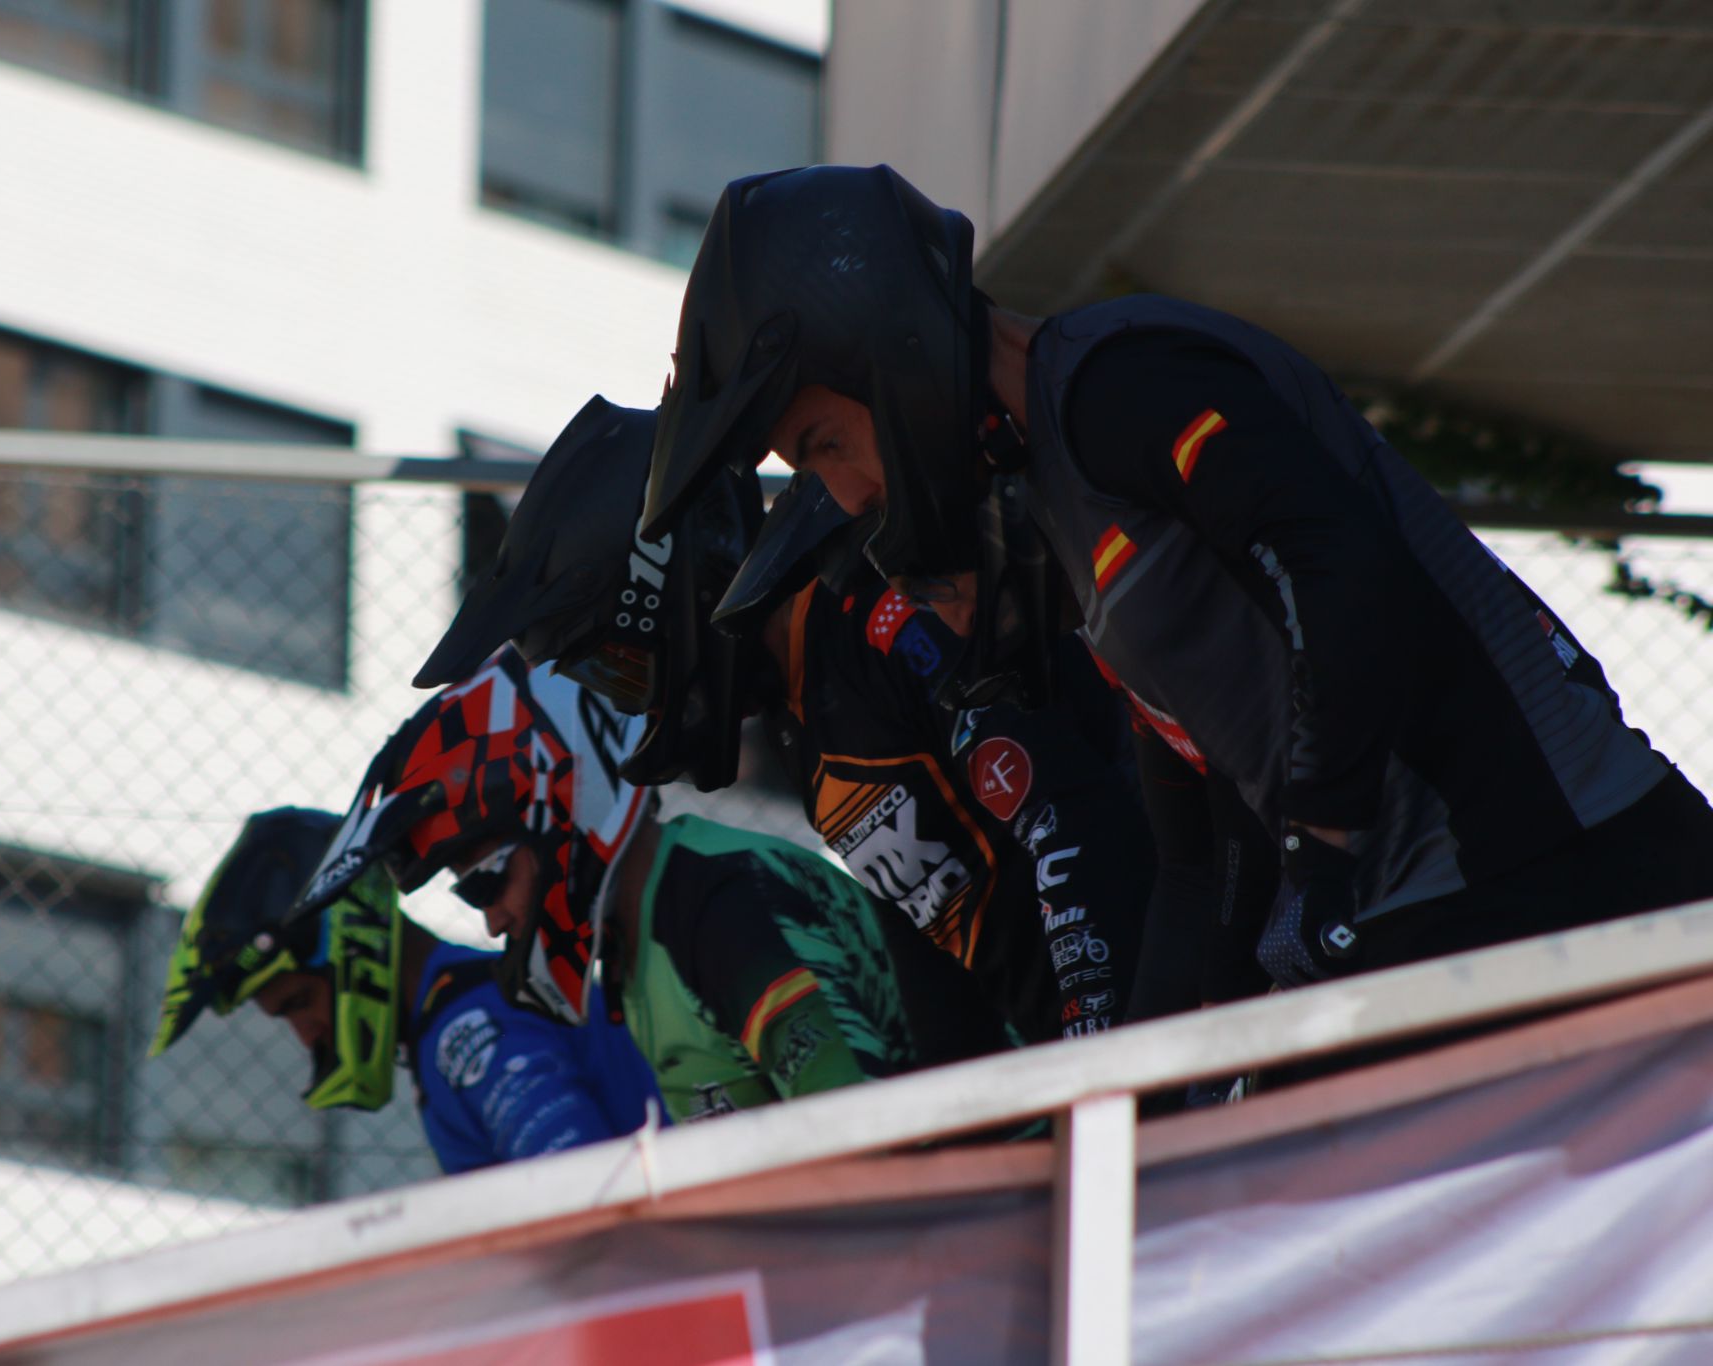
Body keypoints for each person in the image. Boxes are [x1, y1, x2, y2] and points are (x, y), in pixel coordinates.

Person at [639, 162, 1713, 1000]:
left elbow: (1335, 559)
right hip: (1426, 918)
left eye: (823, 442)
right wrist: (1141, 1092)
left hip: (1558, 868)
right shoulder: (1063, 506)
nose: (848, 492)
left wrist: (1324, 844)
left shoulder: (1116, 382)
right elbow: (1193, 860)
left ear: (886, 351)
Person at [416, 398, 1228, 1044]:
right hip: (1104, 1051)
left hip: (1203, 1008)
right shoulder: (802, 718)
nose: (633, 703)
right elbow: (930, 947)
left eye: (621, 666)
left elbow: (1075, 817)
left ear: (678, 588)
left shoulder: (880, 608)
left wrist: (1107, 1053)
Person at [290, 649, 1008, 1122]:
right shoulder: (642, 937)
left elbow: (852, 1137)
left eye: (484, 886)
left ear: (562, 814)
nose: (494, 925)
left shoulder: (716, 910)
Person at [149, 806, 663, 1175]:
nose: (305, 1036)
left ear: (348, 940)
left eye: (300, 1003)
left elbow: (584, 1187)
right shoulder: (472, 1000)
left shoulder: (465, 1030)